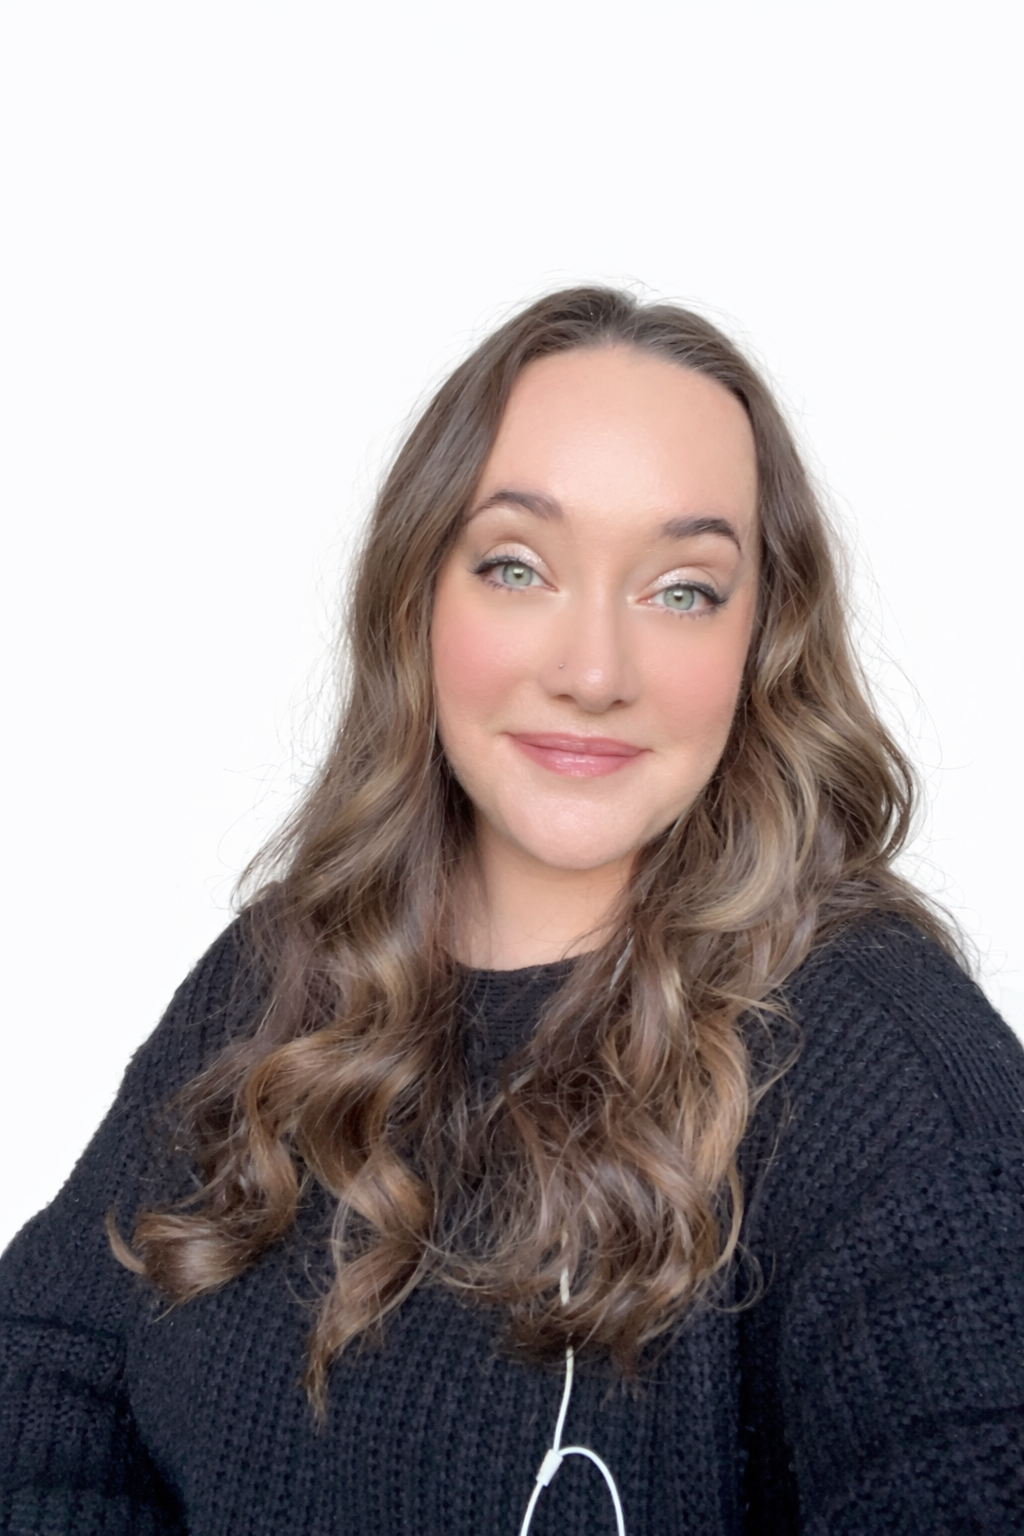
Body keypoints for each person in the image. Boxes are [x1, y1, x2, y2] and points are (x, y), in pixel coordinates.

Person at [1, 287, 1022, 1536]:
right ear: (418, 599)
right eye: (516, 567)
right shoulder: (279, 973)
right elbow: (45, 1378)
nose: (592, 672)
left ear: (763, 638)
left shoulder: (895, 1076)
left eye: (683, 589)